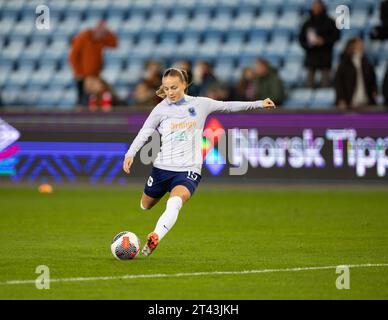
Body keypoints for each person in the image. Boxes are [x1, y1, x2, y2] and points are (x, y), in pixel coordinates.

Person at [122, 68, 276, 256]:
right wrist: (130, 154)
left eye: (174, 87)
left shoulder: (201, 104)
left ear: (184, 85)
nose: (170, 92)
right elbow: (145, 132)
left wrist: (259, 103)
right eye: (166, 88)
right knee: (145, 205)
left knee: (175, 203)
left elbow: (228, 106)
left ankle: (156, 236)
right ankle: (154, 221)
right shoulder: (160, 109)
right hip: (162, 168)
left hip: (189, 169)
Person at [69, 21, 118, 110]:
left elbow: (114, 44)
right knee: (82, 99)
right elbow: (73, 56)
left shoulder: (100, 39)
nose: (103, 36)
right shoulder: (83, 37)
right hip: (83, 75)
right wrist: (79, 72)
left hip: (95, 75)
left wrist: (108, 32)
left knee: (93, 96)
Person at [299, 0, 340, 88]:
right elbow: (301, 39)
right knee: (309, 82)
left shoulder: (330, 22)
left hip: (325, 55)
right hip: (311, 56)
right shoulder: (307, 23)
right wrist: (309, 45)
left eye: (317, 6)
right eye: (314, 6)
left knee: (326, 83)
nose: (315, 8)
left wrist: (324, 41)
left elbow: (336, 36)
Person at [334, 38, 377, 110]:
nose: (362, 46)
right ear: (352, 46)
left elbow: (373, 80)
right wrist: (341, 99)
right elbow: (339, 83)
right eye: (358, 45)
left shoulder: (367, 63)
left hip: (366, 101)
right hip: (349, 102)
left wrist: (374, 91)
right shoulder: (344, 64)